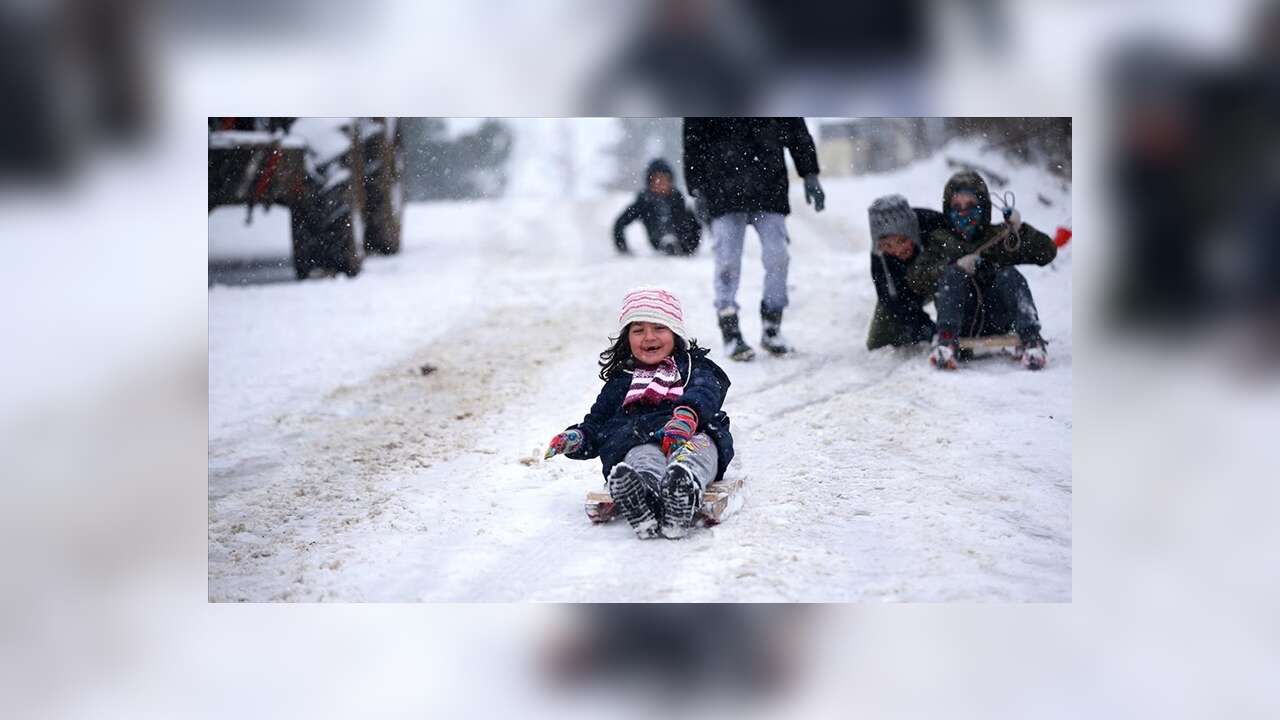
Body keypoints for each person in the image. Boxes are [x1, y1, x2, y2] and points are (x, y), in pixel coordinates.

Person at [544, 287, 735, 539]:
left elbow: (706, 390)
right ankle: (642, 496)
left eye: (659, 328)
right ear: (627, 338)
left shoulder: (692, 367)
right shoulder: (620, 381)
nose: (648, 337)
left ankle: (682, 489)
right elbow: (598, 424)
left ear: (676, 333)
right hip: (640, 440)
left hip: (691, 434)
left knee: (695, 454)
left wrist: (687, 415)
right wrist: (577, 438)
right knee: (642, 458)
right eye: (638, 330)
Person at [682, 117, 824, 361]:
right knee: (727, 261)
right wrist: (697, 189)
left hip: (769, 187)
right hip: (722, 190)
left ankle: (772, 325)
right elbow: (694, 140)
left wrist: (810, 173)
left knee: (778, 257)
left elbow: (795, 130)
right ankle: (730, 330)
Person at [905, 171, 1058, 370]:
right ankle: (946, 343)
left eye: (970, 206)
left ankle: (1032, 339)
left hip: (996, 316)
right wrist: (954, 267)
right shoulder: (940, 240)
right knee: (952, 275)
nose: (963, 212)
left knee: (1009, 274)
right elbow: (916, 278)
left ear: (983, 207)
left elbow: (1047, 252)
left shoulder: (998, 236)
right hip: (960, 319)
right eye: (957, 207)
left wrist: (1020, 231)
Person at [865, 194, 948, 350]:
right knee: (878, 342)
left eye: (902, 241)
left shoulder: (935, 225)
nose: (897, 250)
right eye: (887, 245)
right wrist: (926, 329)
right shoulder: (879, 256)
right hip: (906, 289)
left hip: (943, 280)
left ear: (912, 232)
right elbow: (890, 300)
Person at [612, 159, 701, 256]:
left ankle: (673, 242)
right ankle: (667, 241)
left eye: (664, 179)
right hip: (657, 240)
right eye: (657, 180)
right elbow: (620, 223)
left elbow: (694, 226)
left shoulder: (677, 199)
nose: (661, 183)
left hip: (682, 244)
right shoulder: (644, 202)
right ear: (650, 182)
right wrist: (623, 248)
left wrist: (690, 247)